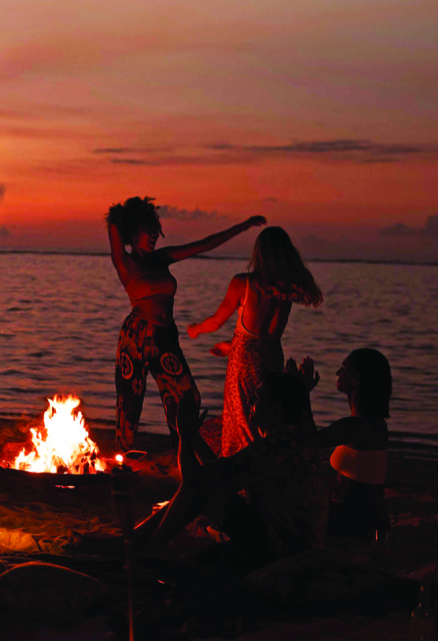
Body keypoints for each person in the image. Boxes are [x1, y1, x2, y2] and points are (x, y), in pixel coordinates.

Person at [130, 365, 330, 565]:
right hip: (295, 542)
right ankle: (140, 539)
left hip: (283, 550)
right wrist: (192, 435)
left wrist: (183, 434)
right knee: (206, 485)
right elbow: (216, 472)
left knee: (199, 488)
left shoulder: (272, 447)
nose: (250, 401)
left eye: (258, 398)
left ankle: (150, 545)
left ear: (276, 411)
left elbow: (193, 480)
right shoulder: (294, 440)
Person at [107, 196, 265, 449]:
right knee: (129, 404)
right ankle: (121, 460)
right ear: (133, 233)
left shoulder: (162, 258)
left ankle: (184, 452)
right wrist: (126, 213)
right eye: (149, 230)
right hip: (136, 338)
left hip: (166, 337)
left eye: (156, 230)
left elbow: (204, 244)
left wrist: (243, 226)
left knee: (187, 397)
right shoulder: (125, 262)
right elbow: (114, 223)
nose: (155, 235)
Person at [189, 227, 323, 455]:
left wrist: (195, 329)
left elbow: (216, 322)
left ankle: (243, 465)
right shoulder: (285, 290)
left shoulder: (244, 282)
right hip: (271, 356)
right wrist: (232, 347)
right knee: (264, 414)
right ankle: (264, 458)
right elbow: (261, 339)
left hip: (244, 362)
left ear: (259, 253)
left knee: (241, 417)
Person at [310, 348, 391, 540]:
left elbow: (306, 441)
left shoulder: (354, 427)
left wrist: (303, 392)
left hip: (352, 524)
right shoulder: (376, 423)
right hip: (370, 521)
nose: (337, 373)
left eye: (343, 368)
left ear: (356, 379)